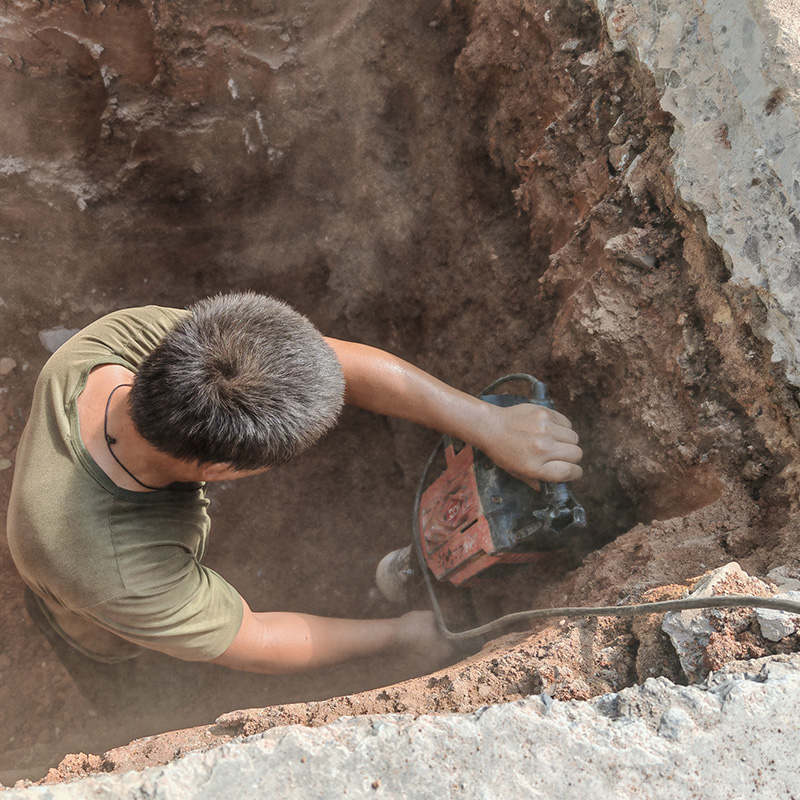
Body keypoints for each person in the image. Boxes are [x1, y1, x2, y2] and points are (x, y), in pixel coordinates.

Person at [7, 292, 582, 674]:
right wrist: (401, 636)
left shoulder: (135, 343)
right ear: (220, 472)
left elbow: (332, 361)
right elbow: (255, 639)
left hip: (92, 532)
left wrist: (486, 423)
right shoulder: (113, 574)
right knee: (108, 649)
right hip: (81, 595)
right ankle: (102, 661)